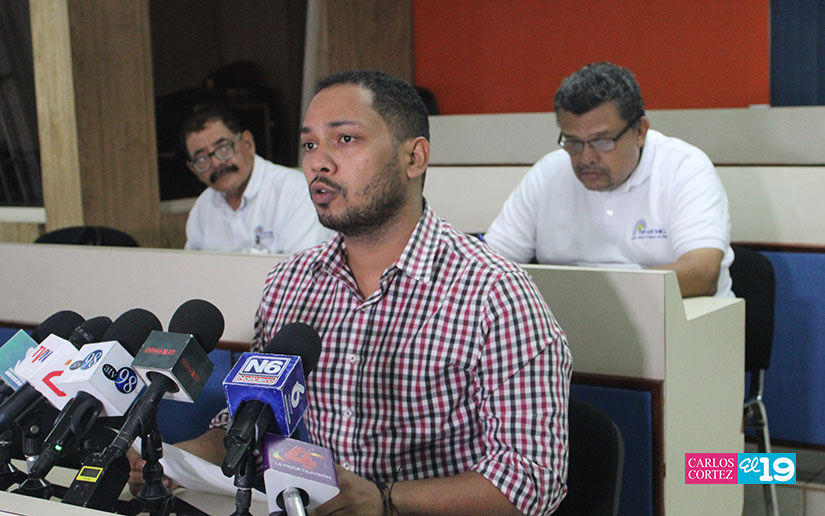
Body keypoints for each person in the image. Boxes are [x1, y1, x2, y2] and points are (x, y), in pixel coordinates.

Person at [167, 70, 572, 516]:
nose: (318, 163)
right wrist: (166, 460)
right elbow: (251, 422)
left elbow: (533, 480)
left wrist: (383, 500)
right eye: (309, 145)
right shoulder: (289, 284)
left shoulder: (495, 294)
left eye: (345, 139)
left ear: (414, 157)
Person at [484, 62, 734, 298]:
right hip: (569, 320)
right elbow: (487, 265)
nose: (586, 158)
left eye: (602, 141)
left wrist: (597, 297)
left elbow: (702, 273)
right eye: (573, 142)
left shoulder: (684, 167)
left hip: (675, 318)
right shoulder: (548, 173)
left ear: (640, 132)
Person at [180, 105, 333, 254]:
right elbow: (190, 267)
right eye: (202, 159)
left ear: (248, 144)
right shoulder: (203, 207)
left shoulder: (296, 191)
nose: (216, 163)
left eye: (223, 148)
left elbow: (303, 267)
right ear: (194, 170)